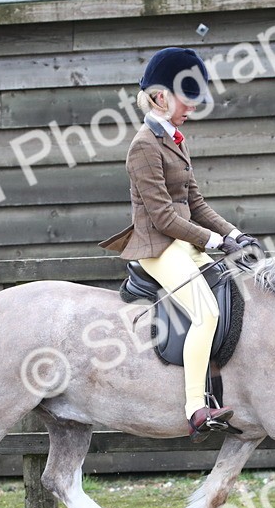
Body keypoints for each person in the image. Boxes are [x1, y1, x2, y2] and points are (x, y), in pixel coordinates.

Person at [99, 47, 260, 440]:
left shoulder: (174, 139)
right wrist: (214, 240)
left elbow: (194, 203)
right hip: (157, 246)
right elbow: (163, 217)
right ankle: (195, 408)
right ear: (159, 97)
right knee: (205, 313)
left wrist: (235, 234)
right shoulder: (143, 147)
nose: (191, 106)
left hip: (184, 241)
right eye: (186, 98)